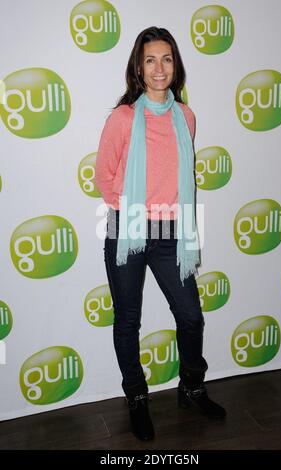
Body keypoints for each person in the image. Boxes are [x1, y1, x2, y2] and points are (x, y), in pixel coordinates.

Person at [95, 26, 226, 441]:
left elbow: (183, 176)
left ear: (176, 65)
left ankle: (191, 386)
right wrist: (137, 207)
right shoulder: (122, 118)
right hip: (129, 226)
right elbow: (104, 176)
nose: (159, 68)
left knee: (191, 316)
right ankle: (136, 396)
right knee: (127, 319)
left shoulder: (185, 116)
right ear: (138, 66)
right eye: (150, 59)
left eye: (166, 59)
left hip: (174, 230)